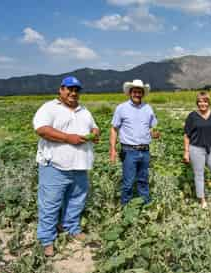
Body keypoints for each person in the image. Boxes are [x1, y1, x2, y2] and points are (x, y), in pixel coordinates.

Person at [33, 76, 100, 257]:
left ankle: (72, 227)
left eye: (76, 90)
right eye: (69, 89)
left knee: (76, 199)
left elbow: (95, 127)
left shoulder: (83, 110)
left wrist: (94, 133)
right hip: (55, 165)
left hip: (80, 165)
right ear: (61, 90)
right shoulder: (49, 108)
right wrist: (68, 138)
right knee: (50, 203)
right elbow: (41, 129)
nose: (73, 93)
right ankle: (47, 239)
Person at [109, 79, 159, 205]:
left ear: (143, 93)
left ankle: (146, 207)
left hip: (145, 151)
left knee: (143, 181)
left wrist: (155, 134)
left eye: (139, 92)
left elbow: (152, 128)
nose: (137, 94)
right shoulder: (121, 108)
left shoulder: (148, 108)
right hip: (129, 151)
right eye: (135, 91)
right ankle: (125, 209)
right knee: (128, 182)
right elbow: (114, 129)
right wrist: (113, 149)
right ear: (130, 93)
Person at [183, 92, 211, 208]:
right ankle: (202, 201)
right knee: (199, 175)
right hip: (196, 149)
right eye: (200, 101)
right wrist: (186, 152)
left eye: (205, 101)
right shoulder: (192, 116)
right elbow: (186, 135)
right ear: (197, 103)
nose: (203, 104)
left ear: (208, 102)